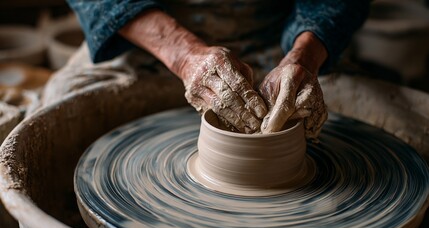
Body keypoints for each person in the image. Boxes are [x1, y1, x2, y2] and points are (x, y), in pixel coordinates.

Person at [66, 0, 370, 139]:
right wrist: (184, 55)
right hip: (141, 33)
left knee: (398, 116)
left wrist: (304, 58)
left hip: (280, 37)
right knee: (65, 110)